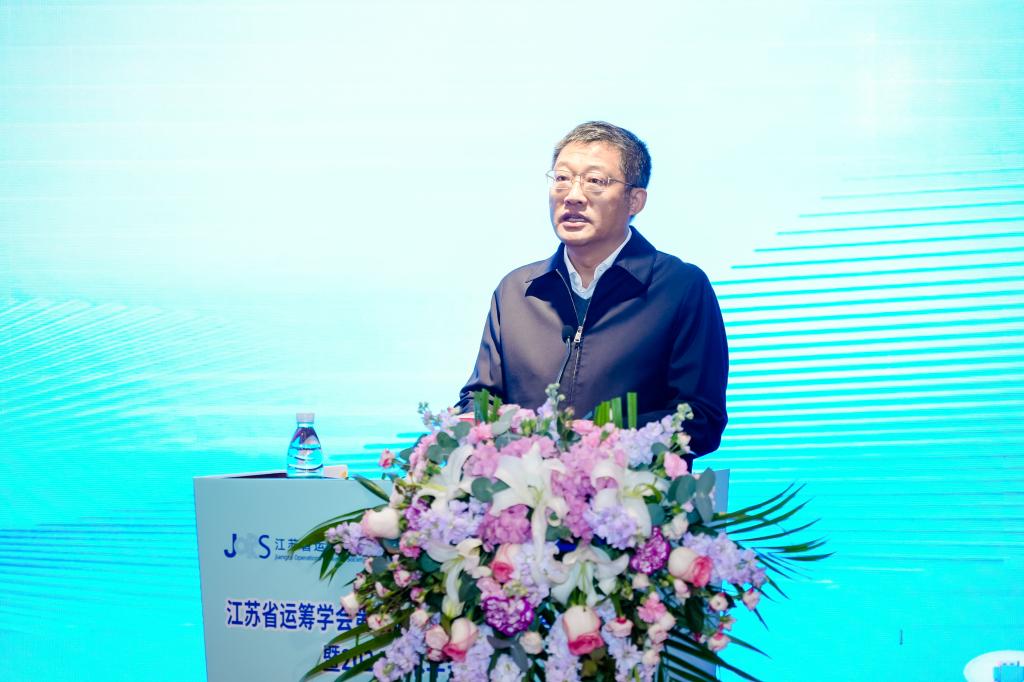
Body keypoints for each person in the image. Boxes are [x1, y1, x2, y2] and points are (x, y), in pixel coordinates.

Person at [457, 121, 728, 457]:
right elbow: (480, 400)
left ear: (635, 200)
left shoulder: (680, 288)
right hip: (524, 488)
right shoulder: (516, 291)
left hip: (630, 488)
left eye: (595, 181)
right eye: (562, 178)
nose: (573, 196)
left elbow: (701, 419)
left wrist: (589, 443)